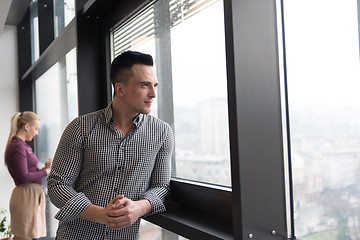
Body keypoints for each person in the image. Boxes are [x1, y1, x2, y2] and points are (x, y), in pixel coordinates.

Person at [48, 51, 174, 239]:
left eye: (154, 85)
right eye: (144, 85)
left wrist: (139, 207)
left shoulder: (162, 133)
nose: (153, 94)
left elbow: (162, 186)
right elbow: (57, 185)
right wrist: (99, 214)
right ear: (120, 89)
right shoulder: (80, 128)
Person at [4, 112, 52, 240]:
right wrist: (46, 172)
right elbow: (24, 177)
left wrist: (44, 169)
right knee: (24, 236)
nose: (36, 133)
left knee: (27, 236)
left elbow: (27, 172)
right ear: (26, 127)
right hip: (26, 197)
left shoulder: (20, 145)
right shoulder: (18, 147)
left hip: (29, 196)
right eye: (35, 129)